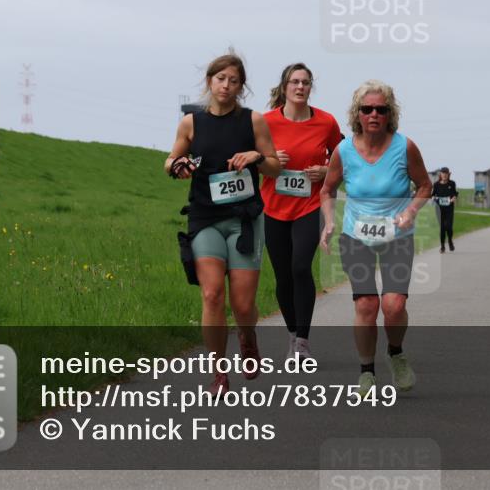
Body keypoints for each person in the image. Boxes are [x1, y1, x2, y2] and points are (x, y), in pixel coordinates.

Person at [164, 51, 281, 395]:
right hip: (205, 218)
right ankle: (218, 371)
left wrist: (257, 158)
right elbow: (171, 159)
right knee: (212, 295)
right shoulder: (191, 123)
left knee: (242, 305)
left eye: (233, 81)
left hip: (243, 219)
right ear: (209, 81)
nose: (226, 86)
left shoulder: (253, 121)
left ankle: (247, 335)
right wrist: (177, 166)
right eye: (220, 79)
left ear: (241, 86)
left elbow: (275, 166)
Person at [319, 80, 432, 397]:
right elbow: (327, 190)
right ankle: (366, 372)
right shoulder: (344, 151)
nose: (374, 115)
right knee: (367, 305)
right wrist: (329, 221)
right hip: (356, 236)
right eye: (367, 109)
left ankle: (395, 352)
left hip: (397, 235)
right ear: (357, 113)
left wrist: (410, 212)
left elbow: (425, 186)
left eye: (381, 110)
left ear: (390, 114)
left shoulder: (404, 147)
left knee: (393, 306)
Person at [261, 63, 342, 360]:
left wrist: (326, 170)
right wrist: (268, 161)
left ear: (310, 88)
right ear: (284, 87)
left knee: (299, 267)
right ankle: (293, 334)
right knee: (283, 276)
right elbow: (249, 158)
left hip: (309, 206)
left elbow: (342, 157)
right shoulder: (265, 122)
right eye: (294, 82)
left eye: (305, 82)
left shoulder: (326, 122)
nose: (300, 87)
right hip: (273, 207)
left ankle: (304, 342)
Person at [432, 167, 458, 252]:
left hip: (449, 209)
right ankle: (442, 246)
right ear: (440, 174)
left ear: (448, 174)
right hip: (439, 209)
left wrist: (454, 198)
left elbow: (454, 194)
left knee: (449, 227)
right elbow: (433, 195)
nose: (444, 175)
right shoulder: (436, 185)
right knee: (442, 228)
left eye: (446, 174)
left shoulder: (452, 184)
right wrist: (433, 198)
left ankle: (450, 241)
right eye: (443, 173)